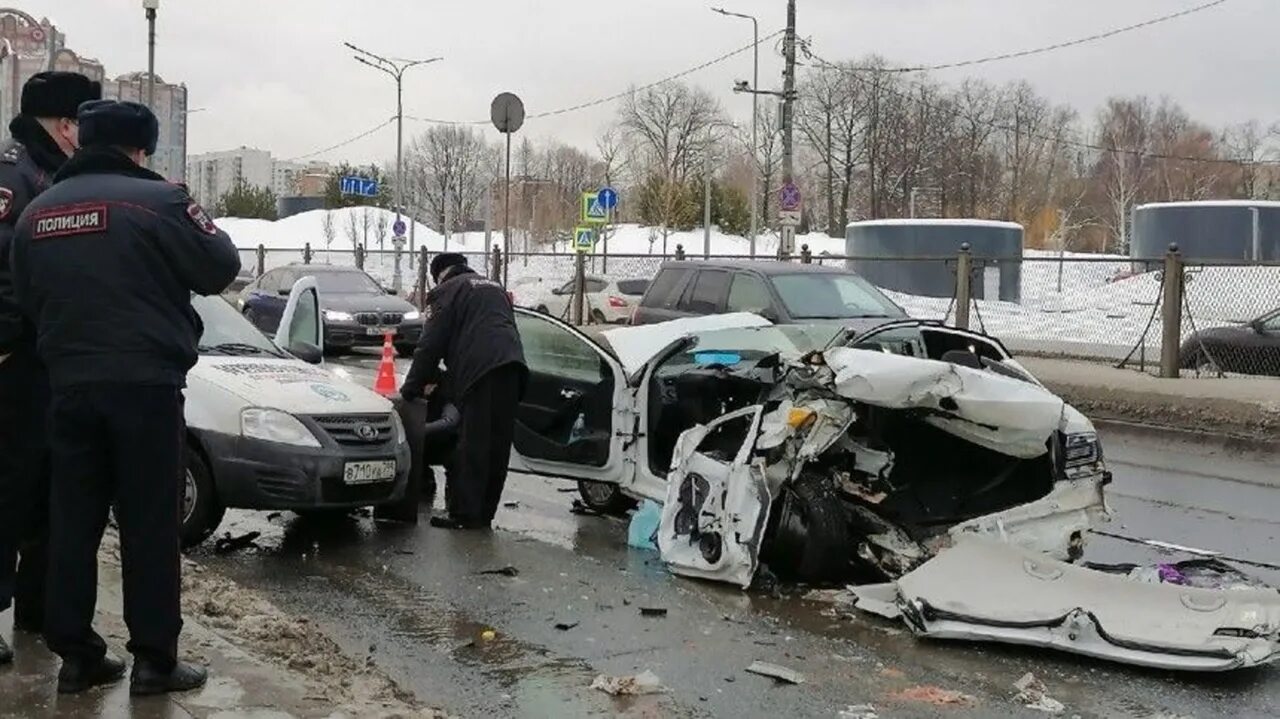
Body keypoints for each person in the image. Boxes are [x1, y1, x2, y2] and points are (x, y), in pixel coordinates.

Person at [10, 100, 240, 694]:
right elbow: (221, 267)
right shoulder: (158, 201)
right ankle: (155, 662)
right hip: (145, 388)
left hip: (68, 387)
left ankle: (77, 655)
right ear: (140, 149)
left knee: (72, 522)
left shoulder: (38, 212)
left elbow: (28, 299)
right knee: (149, 525)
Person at [0, 71, 101, 666]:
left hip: (49, 363)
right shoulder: (14, 175)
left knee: (47, 489)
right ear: (65, 126)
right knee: (7, 488)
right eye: (82, 125)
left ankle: (35, 608)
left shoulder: (56, 177)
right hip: (16, 362)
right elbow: (6, 271)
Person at [401, 253, 526, 530]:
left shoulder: (445, 292)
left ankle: (464, 515)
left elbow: (430, 345)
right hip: (514, 366)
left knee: (473, 444)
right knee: (497, 445)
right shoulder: (495, 287)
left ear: (439, 275)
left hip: (479, 371)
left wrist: (411, 389)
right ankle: (484, 514)